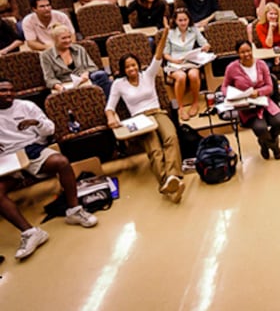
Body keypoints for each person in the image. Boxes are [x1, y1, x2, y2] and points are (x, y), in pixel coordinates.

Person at [0, 78, 98, 260]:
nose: (8, 94)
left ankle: (74, 210)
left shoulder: (26, 106)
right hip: (6, 159)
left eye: (10, 90)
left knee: (62, 162)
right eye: (3, 91)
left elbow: (50, 129)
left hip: (31, 148)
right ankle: (30, 232)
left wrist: (35, 123)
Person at [105, 26, 185, 202]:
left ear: (138, 65)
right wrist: (111, 117)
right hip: (140, 120)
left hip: (157, 112)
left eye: (133, 65)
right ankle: (168, 182)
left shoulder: (147, 74)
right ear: (123, 69)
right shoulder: (118, 84)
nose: (131, 69)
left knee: (171, 137)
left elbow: (158, 53)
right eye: (127, 67)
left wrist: (164, 35)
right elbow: (110, 107)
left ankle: (173, 177)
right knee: (155, 150)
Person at [40, 23, 112, 96]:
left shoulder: (79, 49)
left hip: (84, 80)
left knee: (101, 75)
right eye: (64, 38)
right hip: (64, 84)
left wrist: (86, 73)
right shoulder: (46, 55)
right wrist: (59, 87)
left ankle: (108, 104)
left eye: (69, 37)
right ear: (54, 39)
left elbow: (92, 67)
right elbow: (49, 79)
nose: (68, 40)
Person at [164, 9, 210, 120]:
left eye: (185, 20)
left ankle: (195, 102)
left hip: (190, 61)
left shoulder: (194, 30)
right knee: (181, 77)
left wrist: (206, 47)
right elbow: (165, 54)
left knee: (194, 75)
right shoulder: (170, 33)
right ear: (175, 21)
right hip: (175, 63)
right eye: (180, 20)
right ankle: (180, 107)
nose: (183, 22)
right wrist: (175, 61)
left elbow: (205, 44)